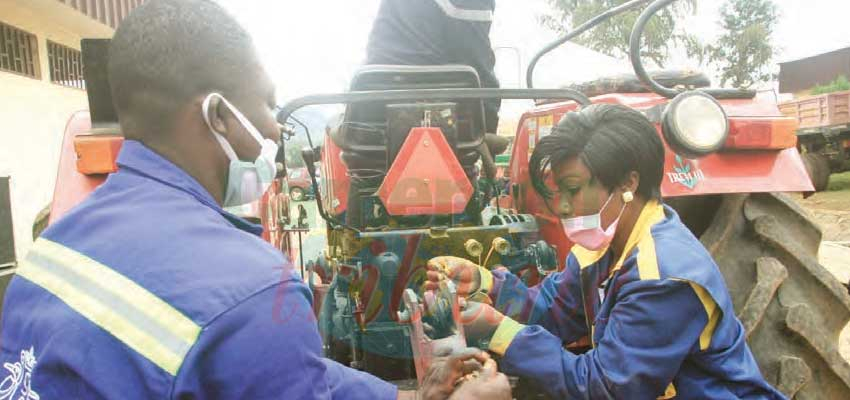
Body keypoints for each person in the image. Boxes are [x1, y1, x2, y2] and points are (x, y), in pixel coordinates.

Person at [0, 1, 511, 399]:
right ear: (218, 116)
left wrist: (410, 395)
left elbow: (275, 371)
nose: (274, 125)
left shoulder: (52, 250)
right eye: (267, 103)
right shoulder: (251, 287)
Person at [426, 104, 787, 399]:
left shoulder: (664, 275)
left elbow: (606, 387)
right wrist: (486, 284)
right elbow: (550, 312)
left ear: (628, 182)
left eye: (573, 189)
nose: (563, 208)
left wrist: (499, 332)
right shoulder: (603, 247)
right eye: (559, 193)